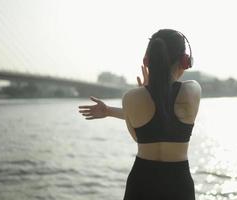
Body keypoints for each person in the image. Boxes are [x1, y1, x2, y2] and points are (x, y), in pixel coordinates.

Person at [78, 29, 201, 200]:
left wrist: (143, 92)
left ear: (148, 61)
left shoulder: (131, 98)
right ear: (184, 61)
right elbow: (166, 115)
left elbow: (139, 135)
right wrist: (110, 110)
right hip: (179, 184)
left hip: (142, 182)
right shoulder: (192, 90)